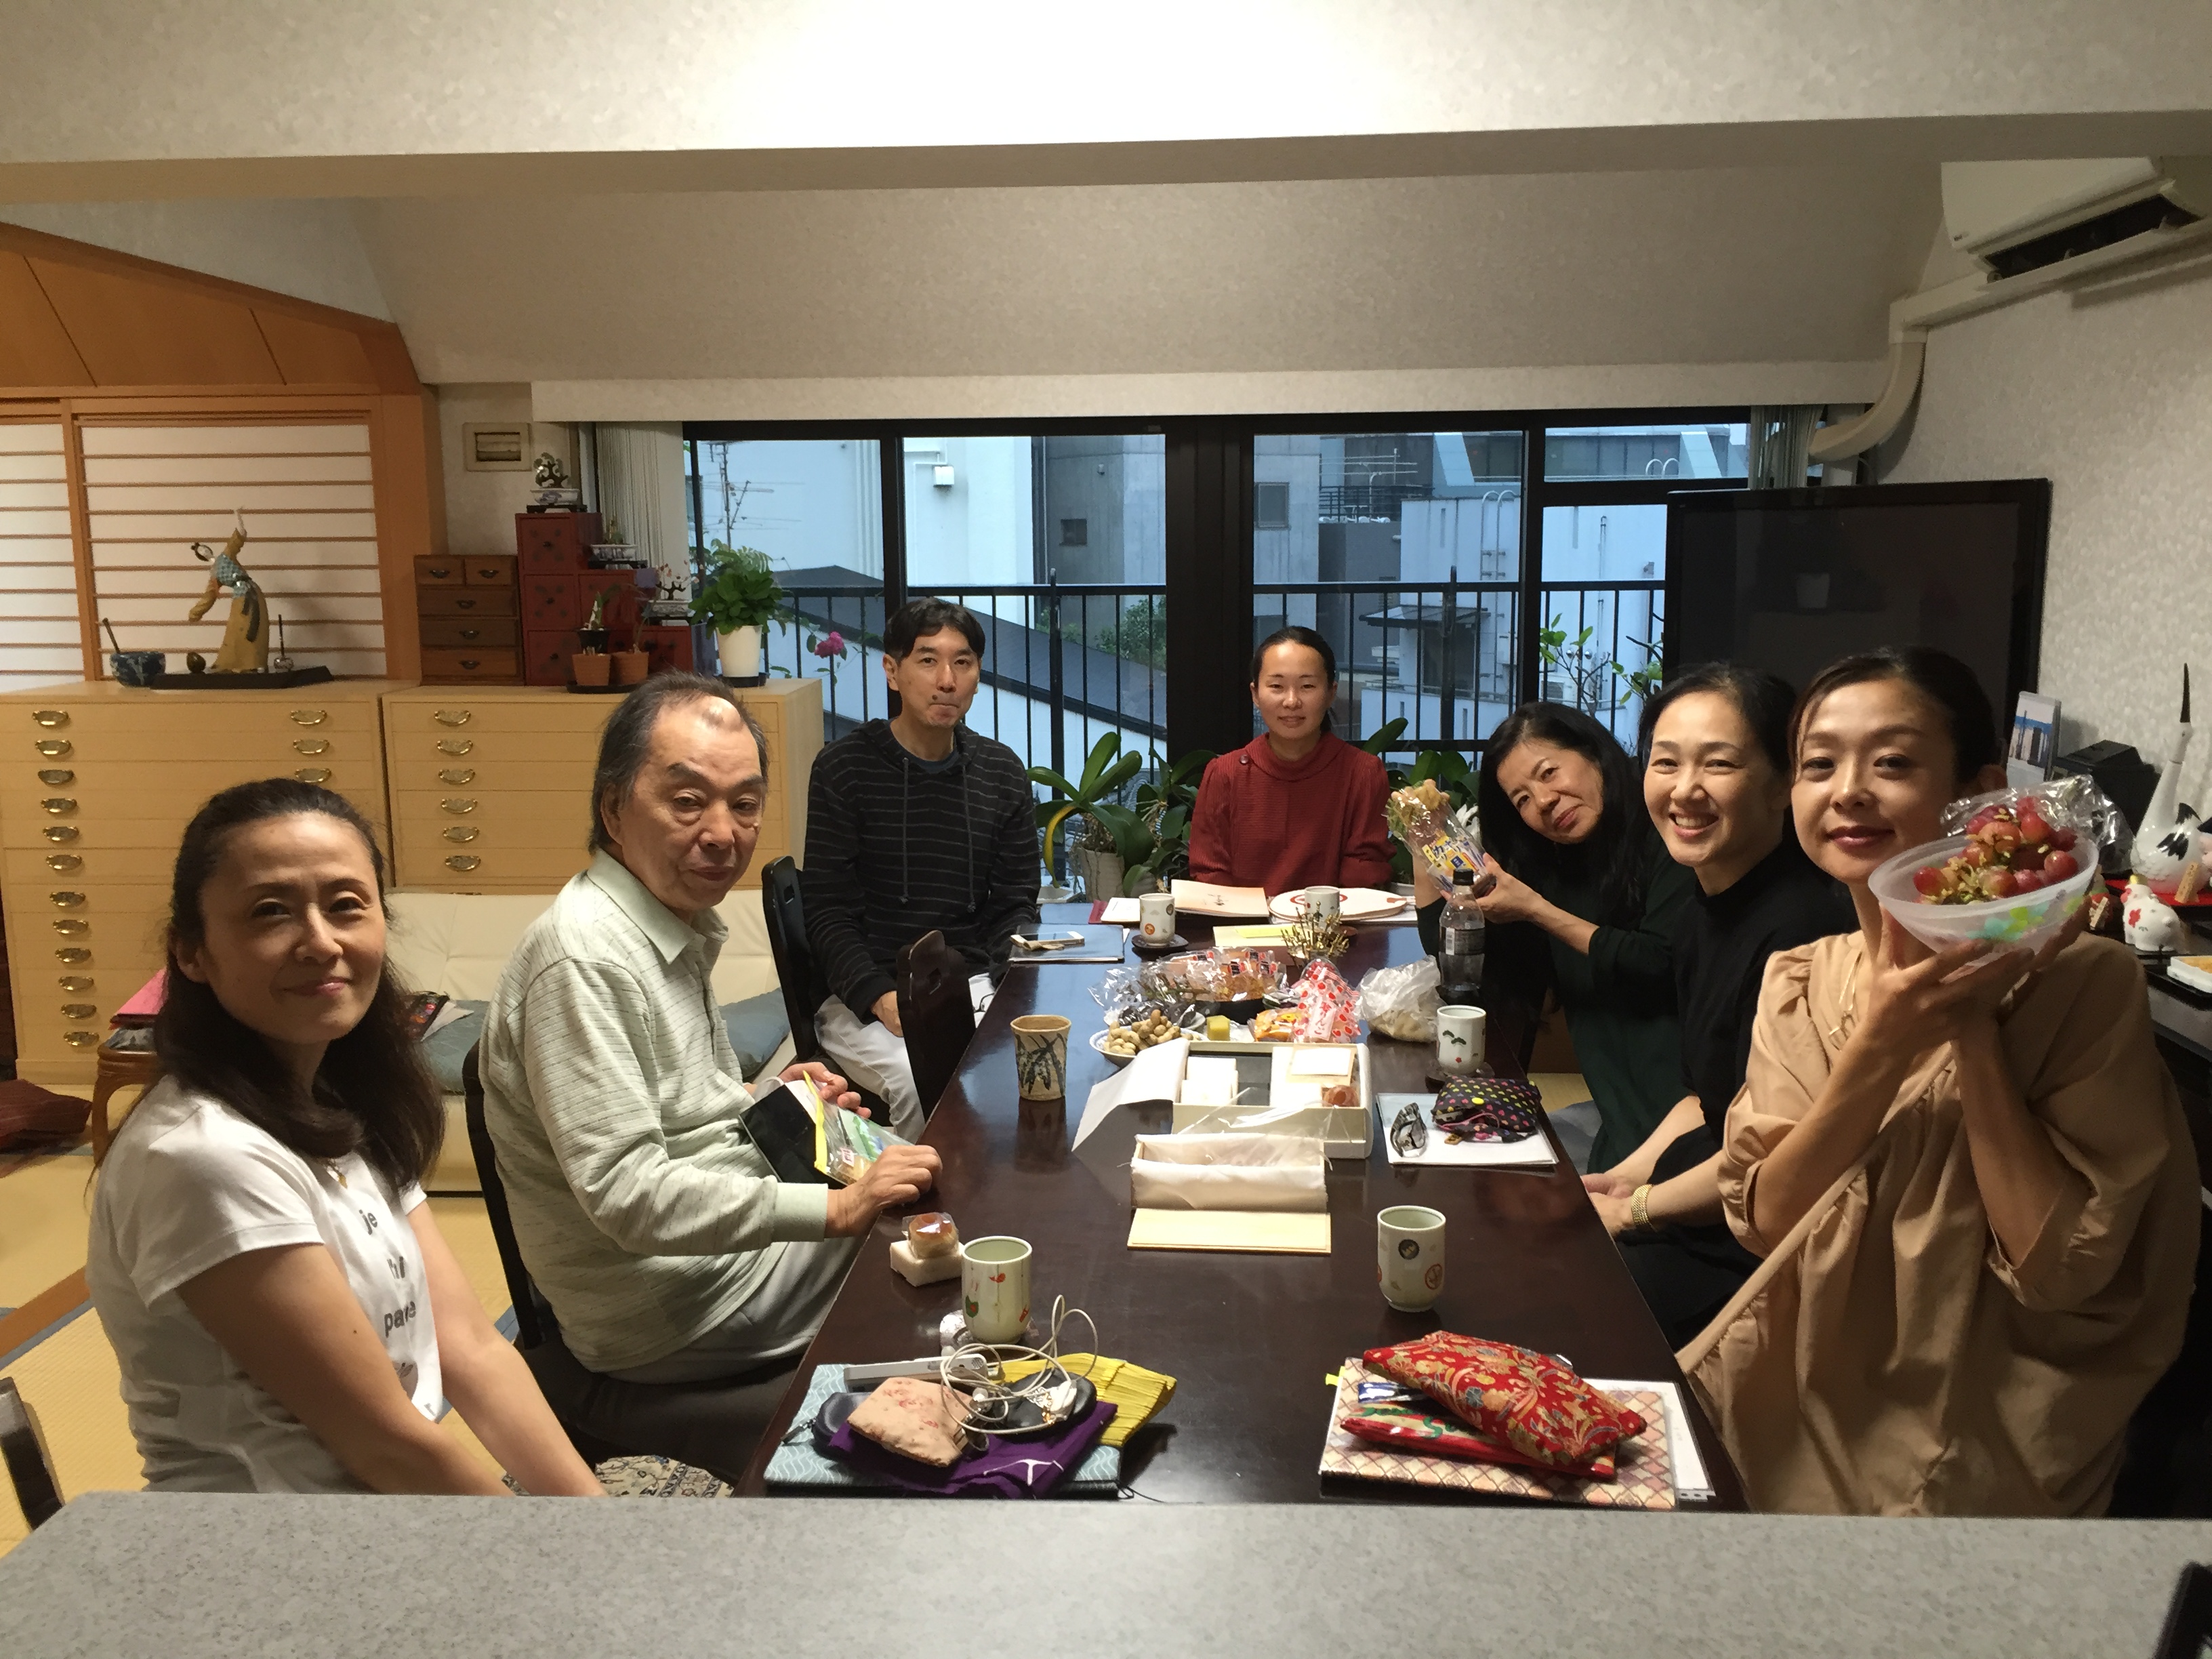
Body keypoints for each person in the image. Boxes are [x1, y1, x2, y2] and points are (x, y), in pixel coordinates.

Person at [1685, 647, 2198, 1515]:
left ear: (1981, 796)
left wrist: (1970, 1026)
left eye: (1892, 762)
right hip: (1796, 1382)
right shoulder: (1801, 979)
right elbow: (1768, 1221)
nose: (1849, 791)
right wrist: (1884, 1043)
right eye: (1820, 764)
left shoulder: (2086, 983)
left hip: (1982, 1427)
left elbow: (2059, 1273)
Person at [86, 779, 602, 1495]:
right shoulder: (200, 1156)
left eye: (346, 906)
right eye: (270, 912)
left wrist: (594, 1525)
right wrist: (557, 1551)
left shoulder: (342, 1104)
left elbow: (473, 1349)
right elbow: (387, 1445)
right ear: (192, 952)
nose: (320, 942)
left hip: (379, 1511)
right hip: (270, 1538)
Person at [482, 674, 941, 1385]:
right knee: (950, 1243)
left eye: (744, 805)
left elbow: (678, 1110)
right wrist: (840, 1206)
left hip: (712, 1257)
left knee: (935, 1188)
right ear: (613, 809)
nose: (724, 834)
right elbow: (628, 1195)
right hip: (678, 1303)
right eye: (688, 801)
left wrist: (764, 1095)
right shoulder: (584, 958)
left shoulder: (665, 919)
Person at [1582, 665, 1853, 1348]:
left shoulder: (1805, 933)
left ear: (1783, 782)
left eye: (1719, 763)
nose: (1684, 789)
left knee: (1567, 1312)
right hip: (1701, 1202)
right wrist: (1618, 1180)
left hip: (1760, 1246)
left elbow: (1778, 1155)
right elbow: (1704, 1103)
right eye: (1666, 762)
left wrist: (1636, 1209)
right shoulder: (1703, 909)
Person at [1418, 702, 1694, 1171]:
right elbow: (1454, 954)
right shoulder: (1553, 866)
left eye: (1549, 773)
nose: (1543, 801)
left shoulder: (1668, 836)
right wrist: (1426, 840)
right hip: (1619, 1124)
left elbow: (1657, 962)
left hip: (1685, 1131)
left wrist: (1537, 910)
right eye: (1522, 799)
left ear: (1593, 753)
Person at [804, 599, 1042, 1136]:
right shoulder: (844, 770)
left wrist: (1007, 986)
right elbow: (827, 911)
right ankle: (919, 1190)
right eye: (928, 661)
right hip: (869, 994)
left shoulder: (1001, 772)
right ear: (892, 671)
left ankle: (998, 1184)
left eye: (963, 663)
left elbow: (1014, 904)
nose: (947, 680)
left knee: (1028, 1062)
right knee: (923, 1079)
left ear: (978, 675)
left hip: (971, 981)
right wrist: (878, 996)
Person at [1187, 626, 1393, 895]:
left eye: (1307, 686)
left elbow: (1364, 875)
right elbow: (1210, 877)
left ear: (1331, 693)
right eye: (1277, 686)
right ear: (1255, 694)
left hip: (1334, 921)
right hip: (1242, 921)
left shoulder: (1363, 773)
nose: (1292, 701)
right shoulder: (1225, 773)